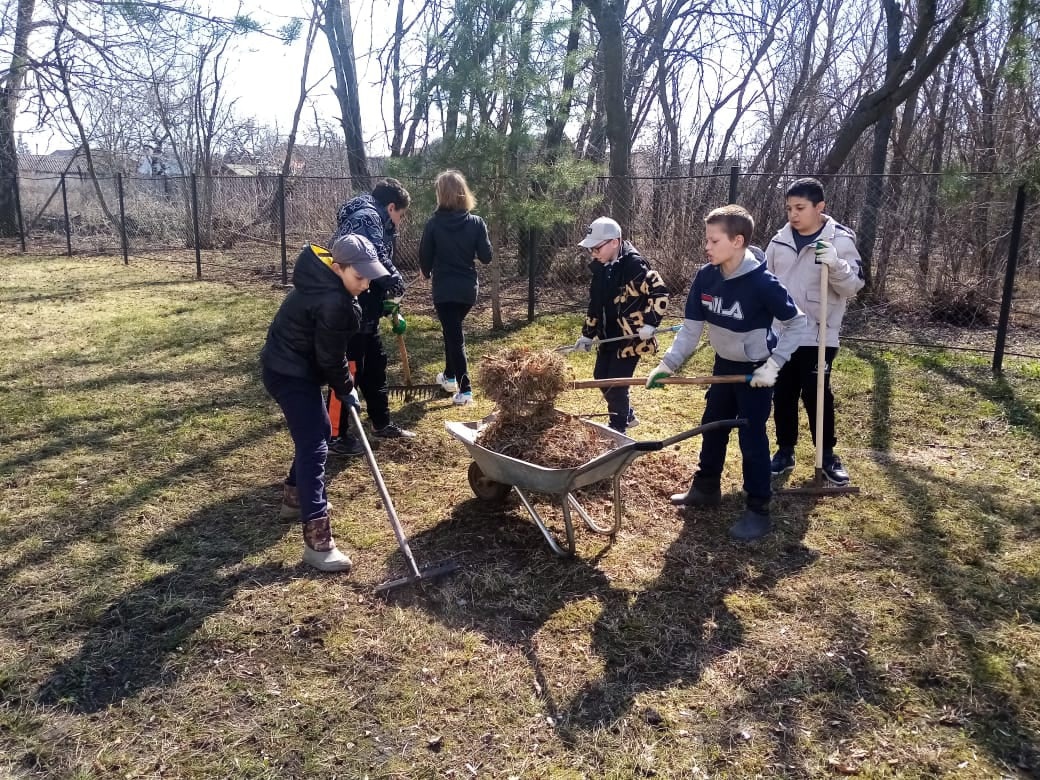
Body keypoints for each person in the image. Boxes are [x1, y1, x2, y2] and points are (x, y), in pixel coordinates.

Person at [646, 204, 807, 541]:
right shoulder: (705, 276)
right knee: (712, 427)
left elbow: (797, 323)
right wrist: (667, 365)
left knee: (751, 439)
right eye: (706, 239)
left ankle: (758, 509)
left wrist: (773, 365)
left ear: (737, 241)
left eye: (713, 240)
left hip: (755, 372)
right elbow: (690, 330)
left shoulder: (763, 284)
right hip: (724, 365)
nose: (706, 247)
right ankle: (706, 488)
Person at [260, 235, 390, 572]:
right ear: (337, 267)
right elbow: (332, 359)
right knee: (315, 446)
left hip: (288, 365)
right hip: (289, 373)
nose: (364, 284)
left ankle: (294, 498)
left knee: (317, 431)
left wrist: (343, 386)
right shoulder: (334, 301)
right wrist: (347, 388)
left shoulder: (325, 284)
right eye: (358, 277)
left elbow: (329, 353)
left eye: (368, 278)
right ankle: (317, 543)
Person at [765, 177, 864, 486]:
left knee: (817, 394)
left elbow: (853, 287)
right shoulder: (779, 241)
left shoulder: (841, 241)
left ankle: (828, 454)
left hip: (818, 334)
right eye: (789, 208)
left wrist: (835, 265)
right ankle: (785, 450)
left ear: (820, 207)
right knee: (783, 394)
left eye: (800, 208)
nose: (793, 215)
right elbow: (765, 282)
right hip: (783, 333)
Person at [328, 177, 415, 455]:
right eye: (400, 215)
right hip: (351, 306)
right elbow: (373, 256)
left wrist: (385, 300)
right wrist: (395, 280)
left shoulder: (375, 216)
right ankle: (335, 435)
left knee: (375, 365)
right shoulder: (368, 217)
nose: (400, 222)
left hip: (368, 305)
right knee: (349, 369)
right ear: (391, 207)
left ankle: (381, 422)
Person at [574, 216, 669, 433]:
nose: (593, 254)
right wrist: (588, 334)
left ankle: (618, 429)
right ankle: (627, 414)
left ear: (614, 242)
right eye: (591, 249)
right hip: (608, 336)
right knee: (600, 378)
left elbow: (660, 292)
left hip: (630, 338)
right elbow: (595, 304)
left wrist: (651, 323)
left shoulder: (635, 266)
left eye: (596, 248)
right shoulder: (601, 269)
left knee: (617, 383)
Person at [418, 169, 493, 405]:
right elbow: (486, 257)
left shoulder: (433, 224)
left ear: (441, 195)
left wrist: (426, 271)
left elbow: (424, 256)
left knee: (455, 336)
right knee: (451, 332)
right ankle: (449, 377)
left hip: (444, 290)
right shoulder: (476, 222)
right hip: (468, 290)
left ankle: (466, 389)